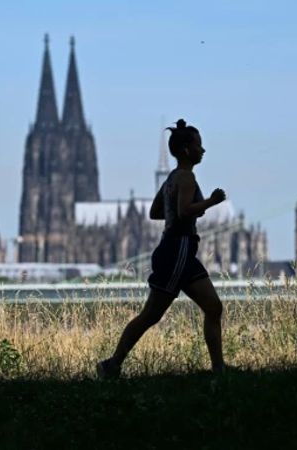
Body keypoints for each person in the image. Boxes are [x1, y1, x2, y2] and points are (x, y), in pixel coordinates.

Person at [97, 119, 227, 378]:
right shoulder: (187, 177)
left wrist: (178, 213)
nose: (202, 150)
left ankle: (219, 369)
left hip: (180, 250)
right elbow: (183, 211)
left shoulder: (171, 178)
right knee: (151, 315)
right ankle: (111, 365)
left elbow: (156, 211)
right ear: (186, 150)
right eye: (198, 145)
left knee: (213, 307)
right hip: (178, 249)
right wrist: (211, 201)